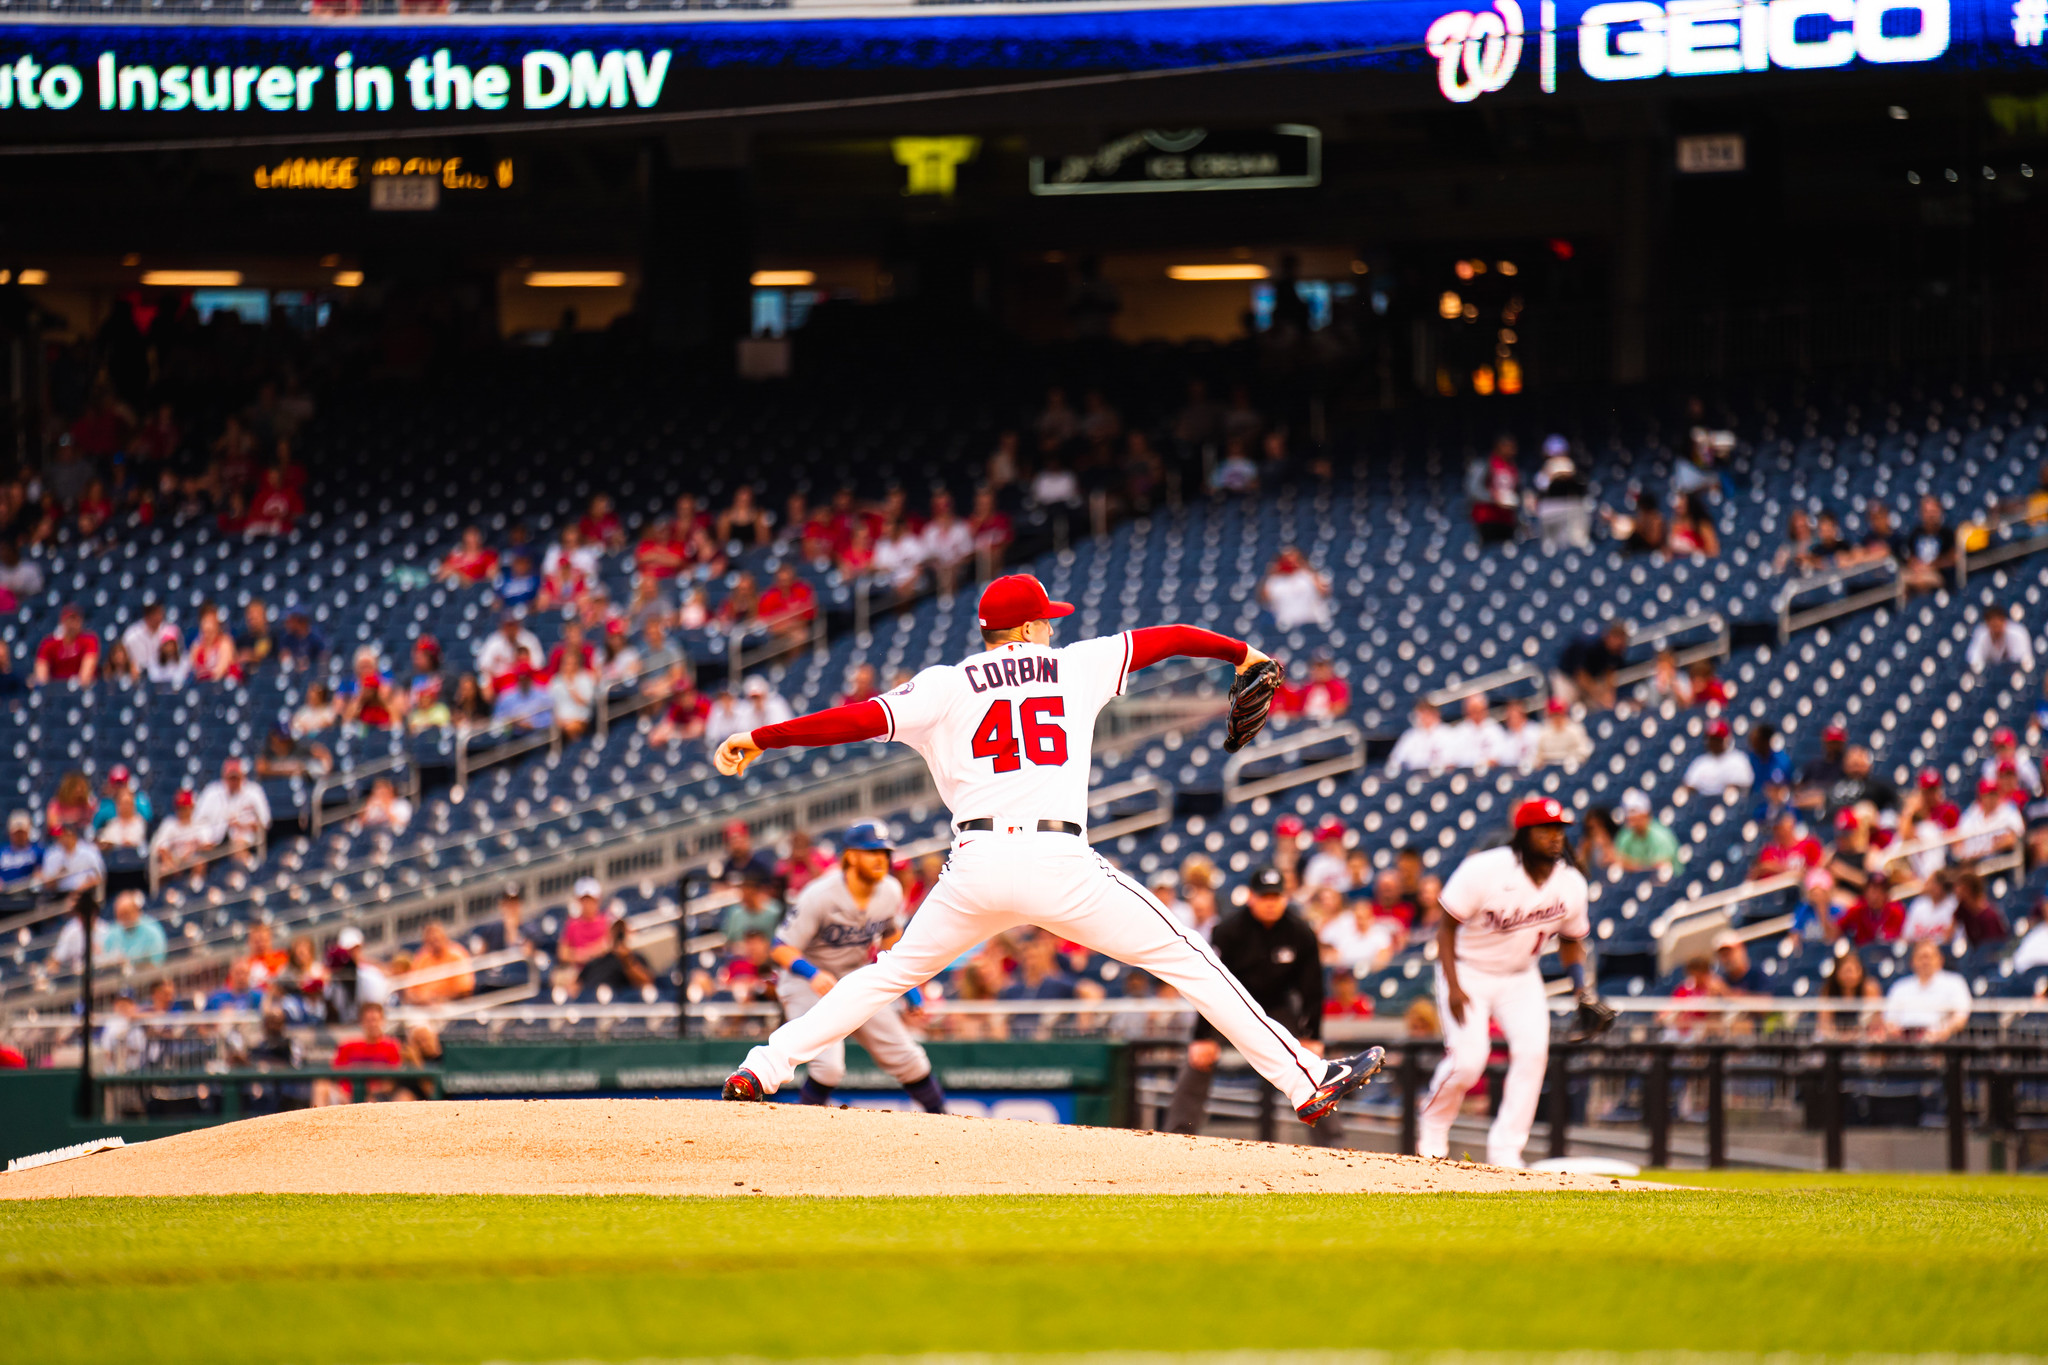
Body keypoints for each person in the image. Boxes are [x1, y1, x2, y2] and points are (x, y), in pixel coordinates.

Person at [713, 572, 1383, 1123]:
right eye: (1047, 619)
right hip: (1059, 862)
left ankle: (765, 1064)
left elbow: (856, 718)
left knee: (884, 977)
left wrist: (762, 738)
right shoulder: (1072, 664)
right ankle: (1306, 1079)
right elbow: (1174, 637)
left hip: (973, 864)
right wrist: (1243, 653)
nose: (1053, 627)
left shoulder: (946, 682)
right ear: (1030, 628)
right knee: (1191, 960)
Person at [1418, 797, 1594, 1169]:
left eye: (1559, 829)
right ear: (1525, 834)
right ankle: (1433, 1127)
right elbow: (1446, 927)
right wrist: (1452, 985)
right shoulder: (1485, 869)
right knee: (1468, 1061)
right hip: (1467, 970)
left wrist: (1583, 991)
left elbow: (1571, 941)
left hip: (1520, 977)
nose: (1555, 837)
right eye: (1546, 829)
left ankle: (1506, 1150)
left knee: (1533, 1055)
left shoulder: (1571, 883)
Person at [765, 822, 946, 1110]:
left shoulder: (890, 890)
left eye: (884, 853)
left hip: (853, 975)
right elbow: (780, 947)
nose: (880, 859)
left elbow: (891, 940)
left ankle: (946, 1124)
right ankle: (800, 1131)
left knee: (910, 1058)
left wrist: (909, 990)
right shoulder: (819, 894)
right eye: (871, 851)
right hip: (806, 979)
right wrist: (812, 974)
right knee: (829, 1067)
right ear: (850, 856)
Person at [1165, 865, 1346, 1144]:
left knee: (1310, 1062)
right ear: (1250, 897)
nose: (1271, 903)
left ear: (1285, 897)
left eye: (1276, 896)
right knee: (1198, 1059)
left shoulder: (1300, 932)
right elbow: (1208, 983)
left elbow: (1312, 989)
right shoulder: (1228, 931)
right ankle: (1178, 1133)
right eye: (1264, 896)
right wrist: (1202, 1037)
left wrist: (1312, 1036)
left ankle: (1333, 1141)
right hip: (1229, 1004)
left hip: (1277, 1007)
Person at [1879, 940, 1973, 1041]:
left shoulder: (1955, 982)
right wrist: (1895, 1031)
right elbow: (1889, 1019)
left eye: (1929, 957)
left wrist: (1946, 1030)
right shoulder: (1900, 986)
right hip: (1905, 1043)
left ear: (1940, 960)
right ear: (1912, 962)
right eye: (1920, 957)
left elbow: (1961, 1015)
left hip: (1942, 1043)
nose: (1925, 961)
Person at [194, 758, 270, 852]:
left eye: (236, 778)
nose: (234, 781)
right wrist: (205, 839)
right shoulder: (212, 792)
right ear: (224, 776)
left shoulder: (254, 791)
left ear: (243, 776)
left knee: (238, 845)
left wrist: (243, 825)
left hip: (248, 842)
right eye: (231, 778)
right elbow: (198, 820)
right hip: (215, 842)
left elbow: (265, 822)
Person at [1556, 621, 1629, 710]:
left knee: (1602, 706)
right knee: (1562, 707)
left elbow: (1610, 672)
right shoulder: (1591, 646)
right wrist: (1598, 695)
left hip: (1591, 681)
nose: (1619, 641)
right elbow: (1580, 676)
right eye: (1616, 636)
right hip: (1566, 678)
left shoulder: (1616, 652)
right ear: (1608, 636)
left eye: (1621, 638)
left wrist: (1608, 693)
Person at [1259, 546, 1331, 631]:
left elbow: (1325, 592)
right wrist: (1271, 573)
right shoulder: (1275, 581)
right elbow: (1263, 598)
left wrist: (1306, 567)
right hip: (1286, 626)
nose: (1290, 562)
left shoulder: (1309, 576)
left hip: (1312, 624)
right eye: (1286, 560)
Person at [1955, 777, 2024, 864]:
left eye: (1993, 794)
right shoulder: (1972, 813)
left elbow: (2014, 838)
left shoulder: (2008, 810)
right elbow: (1958, 842)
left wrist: (1986, 851)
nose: (1990, 798)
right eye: (1987, 795)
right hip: (1972, 863)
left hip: (2000, 861)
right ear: (1981, 797)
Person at [578, 918, 654, 997]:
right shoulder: (597, 961)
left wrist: (626, 959)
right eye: (615, 931)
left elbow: (647, 983)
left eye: (621, 931)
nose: (618, 935)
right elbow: (578, 986)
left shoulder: (635, 959)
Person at [404, 920, 474, 1005]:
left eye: (436, 937)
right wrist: (422, 1001)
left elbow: (464, 990)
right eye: (429, 938)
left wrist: (438, 998)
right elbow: (410, 991)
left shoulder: (456, 955)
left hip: (450, 1006)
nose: (433, 940)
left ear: (444, 936)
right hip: (422, 1007)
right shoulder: (422, 957)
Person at [1385, 699, 1463, 774]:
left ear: (1436, 713)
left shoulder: (1448, 733)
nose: (1424, 717)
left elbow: (1454, 763)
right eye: (1421, 713)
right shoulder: (1410, 736)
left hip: (1441, 779)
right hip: (1414, 778)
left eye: (1427, 712)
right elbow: (1394, 761)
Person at [1818, 948, 1882, 1038]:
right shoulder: (1829, 990)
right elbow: (1824, 1024)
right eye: (1847, 971)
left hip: (1864, 1040)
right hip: (1837, 1042)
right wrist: (1839, 1037)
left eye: (1854, 970)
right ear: (1838, 972)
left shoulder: (1869, 988)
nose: (1850, 976)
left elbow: (1876, 1022)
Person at [1682, 719, 1753, 798]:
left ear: (1726, 739)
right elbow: (1688, 787)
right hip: (1704, 806)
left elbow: (1745, 787)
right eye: (1711, 739)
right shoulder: (1700, 763)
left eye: (1717, 739)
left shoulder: (1738, 760)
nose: (1714, 742)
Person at [1613, 790, 1681, 872]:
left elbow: (1662, 868)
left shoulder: (1661, 836)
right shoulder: (1624, 836)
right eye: (1626, 812)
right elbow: (1617, 862)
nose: (1629, 816)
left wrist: (1629, 865)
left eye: (1633, 811)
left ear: (1645, 813)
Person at [34, 604, 100, 686]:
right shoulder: (49, 643)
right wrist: (45, 688)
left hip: (80, 688)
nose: (72, 624)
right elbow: (41, 672)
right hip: (55, 690)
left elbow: (87, 672)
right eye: (69, 620)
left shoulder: (88, 640)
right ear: (63, 622)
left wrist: (77, 687)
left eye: (75, 620)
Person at [1966, 603, 2035, 676]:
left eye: (1998, 619)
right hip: (1989, 677)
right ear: (1987, 622)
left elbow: (2026, 661)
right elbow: (1972, 658)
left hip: (2016, 676)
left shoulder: (2018, 633)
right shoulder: (1981, 633)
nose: (1995, 623)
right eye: (1992, 620)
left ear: (2004, 620)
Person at [1533, 697, 1594, 767]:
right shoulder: (1544, 732)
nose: (1557, 718)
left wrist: (1575, 759)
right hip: (1549, 767)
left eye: (1558, 714)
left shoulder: (1575, 729)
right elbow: (1538, 755)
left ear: (1564, 714)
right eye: (1554, 715)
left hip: (1571, 767)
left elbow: (1584, 751)